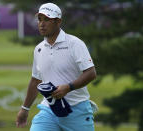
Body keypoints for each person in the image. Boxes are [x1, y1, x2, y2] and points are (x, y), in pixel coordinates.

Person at [16, 2, 97, 131]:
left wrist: (68, 87)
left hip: (77, 110)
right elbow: (35, 80)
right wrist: (25, 109)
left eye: (47, 19)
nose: (42, 24)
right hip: (49, 109)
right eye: (40, 19)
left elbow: (91, 73)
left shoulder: (74, 44)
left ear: (58, 21)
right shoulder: (39, 49)